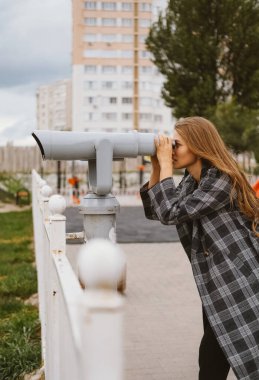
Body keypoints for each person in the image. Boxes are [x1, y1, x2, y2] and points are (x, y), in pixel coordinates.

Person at [140, 117, 259, 380]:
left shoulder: (221, 180)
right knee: (213, 354)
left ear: (198, 145)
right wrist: (158, 167)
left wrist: (166, 166)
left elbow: (171, 211)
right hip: (216, 282)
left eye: (177, 145)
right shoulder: (191, 183)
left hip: (239, 279)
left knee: (223, 354)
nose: (171, 150)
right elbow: (156, 210)